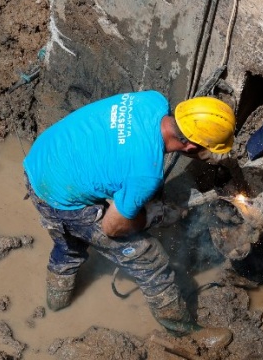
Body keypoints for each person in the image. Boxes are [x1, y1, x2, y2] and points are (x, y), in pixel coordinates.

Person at [22, 90, 235, 348]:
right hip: (62, 198)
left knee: (68, 246)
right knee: (150, 259)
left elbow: (123, 150)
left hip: (41, 162)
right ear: (190, 146)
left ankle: (56, 305)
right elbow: (112, 227)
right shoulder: (145, 172)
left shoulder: (153, 101)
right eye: (206, 150)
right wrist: (152, 217)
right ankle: (184, 332)